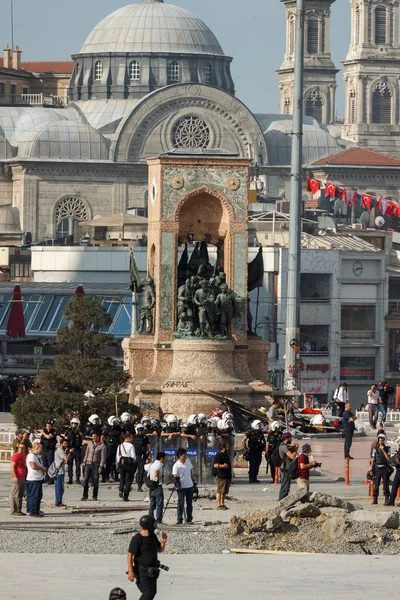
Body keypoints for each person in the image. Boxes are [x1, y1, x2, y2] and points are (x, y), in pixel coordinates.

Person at [127, 515, 168, 600]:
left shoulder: (152, 536)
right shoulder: (137, 538)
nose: (155, 526)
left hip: (153, 570)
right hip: (141, 571)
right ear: (149, 525)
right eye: (153, 524)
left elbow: (159, 549)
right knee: (147, 591)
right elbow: (130, 555)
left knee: (153, 591)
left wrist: (163, 542)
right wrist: (131, 571)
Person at [81, 432, 106, 501]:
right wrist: (84, 461)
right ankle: (85, 495)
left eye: (95, 436)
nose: (93, 438)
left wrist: (101, 466)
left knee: (95, 480)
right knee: (86, 480)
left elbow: (103, 457)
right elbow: (87, 453)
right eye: (92, 436)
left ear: (98, 437)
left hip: (96, 464)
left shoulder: (102, 446)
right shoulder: (89, 444)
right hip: (88, 464)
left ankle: (95, 496)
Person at [172, 448, 195, 525]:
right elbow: (175, 476)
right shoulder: (176, 465)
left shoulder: (188, 461)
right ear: (180, 455)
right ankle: (179, 519)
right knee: (180, 503)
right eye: (184, 454)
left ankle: (189, 519)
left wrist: (193, 481)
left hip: (190, 485)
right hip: (182, 487)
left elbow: (191, 471)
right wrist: (178, 485)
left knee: (189, 503)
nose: (185, 456)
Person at [26, 441, 46, 517]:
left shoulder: (35, 456)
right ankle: (32, 511)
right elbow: (33, 466)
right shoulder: (31, 456)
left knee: (38, 495)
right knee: (34, 495)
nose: (42, 450)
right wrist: (42, 468)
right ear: (37, 448)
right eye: (41, 448)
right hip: (33, 479)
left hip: (37, 478)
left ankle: (35, 510)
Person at [370, 433, 391, 505]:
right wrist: (371, 469)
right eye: (379, 440)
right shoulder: (375, 449)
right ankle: (375, 499)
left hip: (385, 468)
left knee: (386, 484)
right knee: (376, 484)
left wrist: (383, 450)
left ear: (384, 441)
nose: (380, 441)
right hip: (377, 468)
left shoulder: (388, 448)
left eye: (382, 440)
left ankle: (386, 499)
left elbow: (388, 458)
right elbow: (373, 459)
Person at [116, 433, 137, 502]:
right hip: (128, 464)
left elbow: (117, 456)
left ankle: (120, 490)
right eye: (131, 438)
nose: (132, 439)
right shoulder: (131, 446)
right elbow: (133, 456)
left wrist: (117, 465)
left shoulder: (120, 445)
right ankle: (125, 495)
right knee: (128, 480)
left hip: (121, 462)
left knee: (122, 478)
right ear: (128, 438)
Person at [102, 417, 123, 483]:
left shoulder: (118, 429)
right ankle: (107, 477)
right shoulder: (107, 430)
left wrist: (122, 445)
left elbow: (121, 437)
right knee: (108, 463)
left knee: (117, 462)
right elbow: (102, 437)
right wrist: (104, 445)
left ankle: (116, 476)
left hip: (117, 447)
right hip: (109, 448)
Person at [54, 437, 74, 508]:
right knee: (59, 488)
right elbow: (66, 459)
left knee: (59, 487)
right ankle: (58, 502)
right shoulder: (60, 450)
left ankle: (58, 501)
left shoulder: (62, 450)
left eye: (67, 444)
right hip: (59, 472)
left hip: (60, 471)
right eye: (64, 443)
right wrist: (70, 453)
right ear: (61, 443)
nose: (66, 445)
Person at [278, 432, 298, 500]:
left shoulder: (285, 446)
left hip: (286, 468)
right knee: (285, 487)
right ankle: (282, 500)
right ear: (286, 438)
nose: (291, 439)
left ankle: (283, 500)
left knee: (286, 486)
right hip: (285, 469)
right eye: (290, 438)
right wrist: (296, 449)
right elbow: (292, 457)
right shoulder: (283, 447)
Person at [148, 451, 166, 526]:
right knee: (159, 503)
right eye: (164, 458)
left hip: (151, 484)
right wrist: (158, 477)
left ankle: (150, 519)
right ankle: (158, 520)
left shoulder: (152, 464)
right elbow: (157, 471)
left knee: (152, 503)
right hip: (157, 485)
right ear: (161, 458)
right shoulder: (159, 465)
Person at [10, 441, 28, 515]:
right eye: (20, 447)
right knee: (15, 494)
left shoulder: (23, 456)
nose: (21, 449)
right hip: (17, 476)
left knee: (20, 494)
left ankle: (18, 509)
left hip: (22, 477)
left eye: (22, 448)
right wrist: (14, 476)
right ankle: (13, 510)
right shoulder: (15, 455)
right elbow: (12, 466)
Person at [213, 441, 232, 510]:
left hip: (226, 475)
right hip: (221, 475)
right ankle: (218, 505)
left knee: (224, 491)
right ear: (223, 447)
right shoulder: (219, 455)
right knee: (220, 490)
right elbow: (215, 465)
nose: (228, 448)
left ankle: (222, 504)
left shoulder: (226, 454)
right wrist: (223, 466)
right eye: (227, 447)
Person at [133, 424, 151, 492]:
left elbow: (149, 447)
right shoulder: (134, 437)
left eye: (142, 429)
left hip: (142, 457)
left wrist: (148, 456)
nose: (141, 431)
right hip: (134, 456)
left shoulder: (145, 437)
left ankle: (139, 487)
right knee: (132, 472)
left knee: (141, 473)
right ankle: (128, 486)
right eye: (139, 430)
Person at [65, 417, 82, 485]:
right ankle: (70, 479)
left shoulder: (79, 433)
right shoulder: (68, 433)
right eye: (73, 424)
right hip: (70, 450)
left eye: (75, 424)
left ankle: (77, 479)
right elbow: (65, 441)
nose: (74, 425)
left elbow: (81, 441)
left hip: (77, 450)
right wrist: (68, 448)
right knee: (70, 465)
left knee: (78, 466)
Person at [386, 436, 400, 506]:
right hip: (398, 471)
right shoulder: (399, 450)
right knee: (394, 486)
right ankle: (391, 501)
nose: (398, 443)